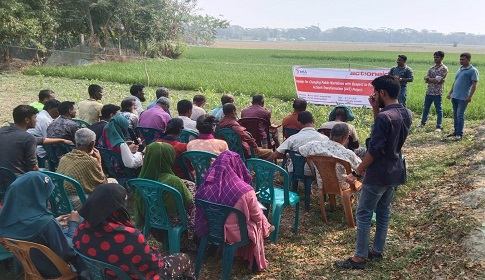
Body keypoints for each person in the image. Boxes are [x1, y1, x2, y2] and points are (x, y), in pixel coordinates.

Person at [335, 75, 412, 269]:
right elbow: (384, 132)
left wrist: (357, 173)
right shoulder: (405, 113)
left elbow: (375, 150)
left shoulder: (386, 117)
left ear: (382, 93)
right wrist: (376, 109)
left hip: (377, 173)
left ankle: (359, 257)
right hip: (395, 170)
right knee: (384, 211)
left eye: (375, 92)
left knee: (363, 213)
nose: (374, 95)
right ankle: (377, 250)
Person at [73, 183, 195, 279]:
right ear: (117, 209)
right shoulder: (129, 237)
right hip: (140, 275)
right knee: (184, 258)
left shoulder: (81, 230)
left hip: (106, 276)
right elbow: (156, 268)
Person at [195, 151, 274, 271]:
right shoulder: (245, 190)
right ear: (238, 165)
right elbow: (256, 217)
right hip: (236, 233)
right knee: (258, 220)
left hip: (210, 228)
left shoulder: (205, 186)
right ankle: (266, 231)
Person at [0, 172, 86, 279]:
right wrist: (73, 223)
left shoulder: (6, 219)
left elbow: (34, 232)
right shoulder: (45, 222)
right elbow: (68, 253)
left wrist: (55, 223)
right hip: (57, 270)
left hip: (31, 268)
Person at [135, 142, 196, 250]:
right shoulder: (173, 181)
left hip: (151, 217)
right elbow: (189, 202)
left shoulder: (141, 179)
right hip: (172, 219)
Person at [0, 105, 73, 177]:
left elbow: (40, 140)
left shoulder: (3, 130)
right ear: (27, 120)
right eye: (35, 118)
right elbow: (32, 168)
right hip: (17, 180)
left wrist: (62, 140)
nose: (36, 120)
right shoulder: (28, 138)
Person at [299, 123, 362, 190]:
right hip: (342, 185)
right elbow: (362, 168)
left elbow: (300, 150)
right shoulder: (347, 153)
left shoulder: (314, 145)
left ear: (330, 134)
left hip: (322, 183)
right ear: (345, 138)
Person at [271, 111, 328, 176]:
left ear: (299, 123)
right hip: (317, 172)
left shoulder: (293, 138)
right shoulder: (325, 139)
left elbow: (275, 155)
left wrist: (289, 155)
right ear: (313, 121)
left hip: (296, 170)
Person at [57, 128, 110, 196]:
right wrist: (99, 161)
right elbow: (103, 182)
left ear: (75, 141)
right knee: (113, 183)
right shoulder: (91, 161)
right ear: (92, 144)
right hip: (78, 200)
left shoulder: (64, 158)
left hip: (61, 198)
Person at [446, 52, 479, 141]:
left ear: (469, 59)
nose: (461, 61)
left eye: (463, 59)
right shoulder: (460, 69)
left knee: (460, 115)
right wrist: (450, 93)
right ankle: (456, 131)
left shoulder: (472, 70)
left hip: (463, 97)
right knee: (455, 115)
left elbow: (474, 84)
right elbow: (455, 82)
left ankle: (459, 134)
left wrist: (470, 96)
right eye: (460, 59)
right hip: (455, 96)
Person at [419, 51, 448, 132]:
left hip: (437, 92)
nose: (435, 59)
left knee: (438, 109)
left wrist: (429, 79)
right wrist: (430, 79)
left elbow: (437, 80)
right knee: (426, 108)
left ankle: (439, 126)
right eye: (434, 57)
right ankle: (422, 123)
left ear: (442, 58)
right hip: (429, 91)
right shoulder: (432, 68)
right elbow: (426, 78)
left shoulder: (443, 68)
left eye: (437, 57)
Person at [27, 99, 61, 167]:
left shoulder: (41, 115)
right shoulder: (45, 120)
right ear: (50, 108)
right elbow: (48, 139)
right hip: (39, 150)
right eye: (57, 110)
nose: (58, 113)